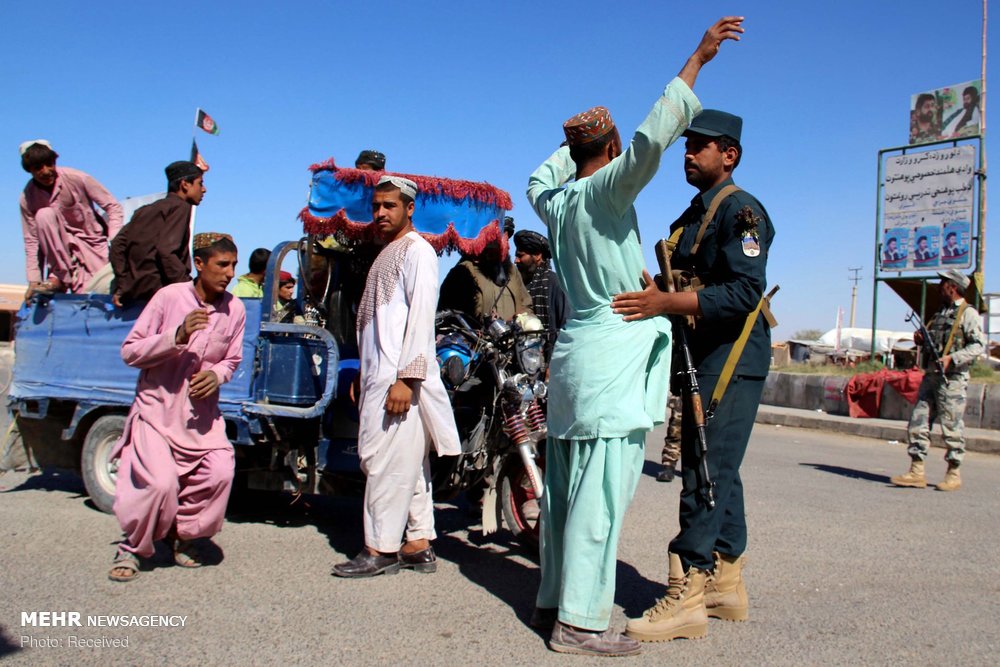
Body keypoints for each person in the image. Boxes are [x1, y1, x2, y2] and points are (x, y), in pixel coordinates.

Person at [526, 17, 744, 657]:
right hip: (614, 350)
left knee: (565, 492)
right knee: (599, 499)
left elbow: (539, 177)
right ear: (613, 146)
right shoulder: (605, 188)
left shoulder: (557, 201)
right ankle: (582, 622)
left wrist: (571, 143)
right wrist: (697, 61)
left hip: (575, 355)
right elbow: (652, 140)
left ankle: (552, 604)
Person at [612, 107, 775, 641]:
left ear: (729, 155)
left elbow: (746, 291)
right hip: (703, 351)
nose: (688, 152)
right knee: (718, 464)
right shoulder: (696, 212)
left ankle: (687, 592)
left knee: (702, 466)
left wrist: (667, 303)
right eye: (686, 144)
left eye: (699, 146)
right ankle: (726, 583)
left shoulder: (740, 212)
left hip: (730, 358)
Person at [332, 176, 461, 578]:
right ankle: (419, 543)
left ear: (409, 209)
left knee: (386, 463)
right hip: (380, 377)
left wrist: (406, 379)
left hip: (400, 381)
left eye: (390, 206)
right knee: (407, 463)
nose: (381, 213)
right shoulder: (389, 252)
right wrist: (366, 373)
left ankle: (380, 549)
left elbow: (422, 318)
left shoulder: (418, 251)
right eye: (376, 206)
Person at [107, 232, 246, 582]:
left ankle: (184, 536)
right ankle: (133, 548)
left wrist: (216, 375)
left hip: (201, 419)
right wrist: (177, 336)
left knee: (220, 472)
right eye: (221, 265)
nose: (229, 273)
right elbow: (130, 351)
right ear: (199, 264)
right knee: (160, 484)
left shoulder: (236, 308)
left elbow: (232, 360)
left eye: (233, 265)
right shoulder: (168, 298)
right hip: (157, 411)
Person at [891, 270, 984, 492]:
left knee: (951, 427)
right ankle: (917, 471)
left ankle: (953, 473)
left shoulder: (968, 314)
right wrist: (921, 338)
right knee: (918, 421)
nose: (939, 286)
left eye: (943, 282)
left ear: (952, 287)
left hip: (952, 380)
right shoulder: (939, 313)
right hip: (931, 376)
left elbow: (978, 346)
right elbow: (933, 340)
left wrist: (953, 358)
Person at [18, 140, 124, 297]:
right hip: (60, 259)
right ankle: (59, 278)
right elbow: (32, 241)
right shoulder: (27, 198)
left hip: (93, 247)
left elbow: (113, 207)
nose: (46, 171)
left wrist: (115, 241)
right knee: (44, 215)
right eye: (38, 168)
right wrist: (34, 280)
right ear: (29, 170)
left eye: (49, 164)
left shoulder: (77, 178)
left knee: (100, 294)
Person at [110, 161, 206, 307]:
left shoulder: (144, 210)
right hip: (162, 295)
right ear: (185, 184)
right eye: (200, 183)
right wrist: (186, 290)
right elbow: (167, 250)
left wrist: (123, 284)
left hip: (135, 294)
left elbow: (117, 245)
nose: (204, 189)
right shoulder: (180, 207)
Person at [438, 239, 533, 323]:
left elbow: (526, 305)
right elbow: (452, 316)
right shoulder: (462, 271)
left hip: (514, 338)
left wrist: (520, 321)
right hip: (479, 340)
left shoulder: (512, 271)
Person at [513, 229, 569, 357]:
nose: (516, 260)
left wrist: (552, 362)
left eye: (520, 255)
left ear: (538, 256)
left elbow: (565, 327)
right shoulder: (518, 285)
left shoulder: (556, 283)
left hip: (549, 360)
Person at [657, 393, 683, 482]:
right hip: (684, 390)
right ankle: (668, 465)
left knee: (701, 435)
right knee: (675, 431)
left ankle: (696, 469)